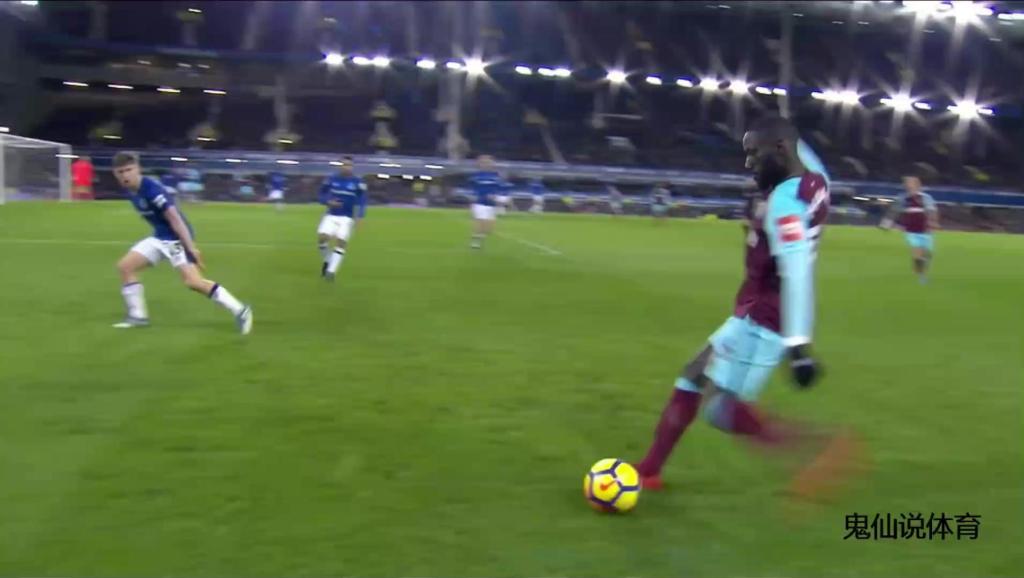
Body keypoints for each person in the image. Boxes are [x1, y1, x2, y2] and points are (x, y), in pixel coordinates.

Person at [632, 117, 851, 499]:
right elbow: (799, 146)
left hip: (766, 315)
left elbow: (797, 271)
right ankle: (649, 471)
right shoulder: (817, 178)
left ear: (780, 150)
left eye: (754, 154)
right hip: (755, 304)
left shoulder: (785, 204)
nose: (748, 163)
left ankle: (817, 449)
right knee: (693, 374)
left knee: (722, 411)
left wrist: (799, 346)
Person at [111, 151, 252, 334]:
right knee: (125, 267)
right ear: (115, 174)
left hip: (176, 238)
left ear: (138, 169)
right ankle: (138, 316)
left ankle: (240, 310)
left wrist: (190, 247)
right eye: (121, 172)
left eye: (129, 170)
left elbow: (175, 219)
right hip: (160, 236)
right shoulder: (131, 191)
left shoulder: (152, 190)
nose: (125, 175)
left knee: (193, 282)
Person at [880, 175, 940, 284]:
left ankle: (920, 269)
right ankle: (921, 276)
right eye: (907, 183)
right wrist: (886, 223)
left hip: (925, 230)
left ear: (918, 185)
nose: (908, 185)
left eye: (911, 183)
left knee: (928, 253)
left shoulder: (925, 198)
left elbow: (932, 210)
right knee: (917, 251)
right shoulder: (903, 198)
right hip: (911, 230)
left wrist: (933, 222)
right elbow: (894, 211)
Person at [317, 156, 367, 281]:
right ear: (340, 166)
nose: (346, 167)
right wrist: (328, 202)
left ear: (352, 167)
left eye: (349, 165)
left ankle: (331, 272)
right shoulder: (331, 179)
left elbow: (362, 200)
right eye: (344, 164)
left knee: (341, 242)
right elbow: (320, 194)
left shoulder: (358, 182)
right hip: (331, 215)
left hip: (347, 218)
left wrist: (361, 216)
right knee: (322, 238)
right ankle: (327, 261)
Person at [467, 155, 508, 249]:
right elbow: (472, 189)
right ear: (480, 164)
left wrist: (497, 198)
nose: (486, 164)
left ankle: (478, 237)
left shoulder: (496, 176)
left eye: (489, 162)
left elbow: (499, 188)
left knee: (489, 229)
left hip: (492, 205)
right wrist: (473, 198)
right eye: (484, 162)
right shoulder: (476, 176)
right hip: (480, 203)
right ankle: (475, 242)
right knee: (480, 222)